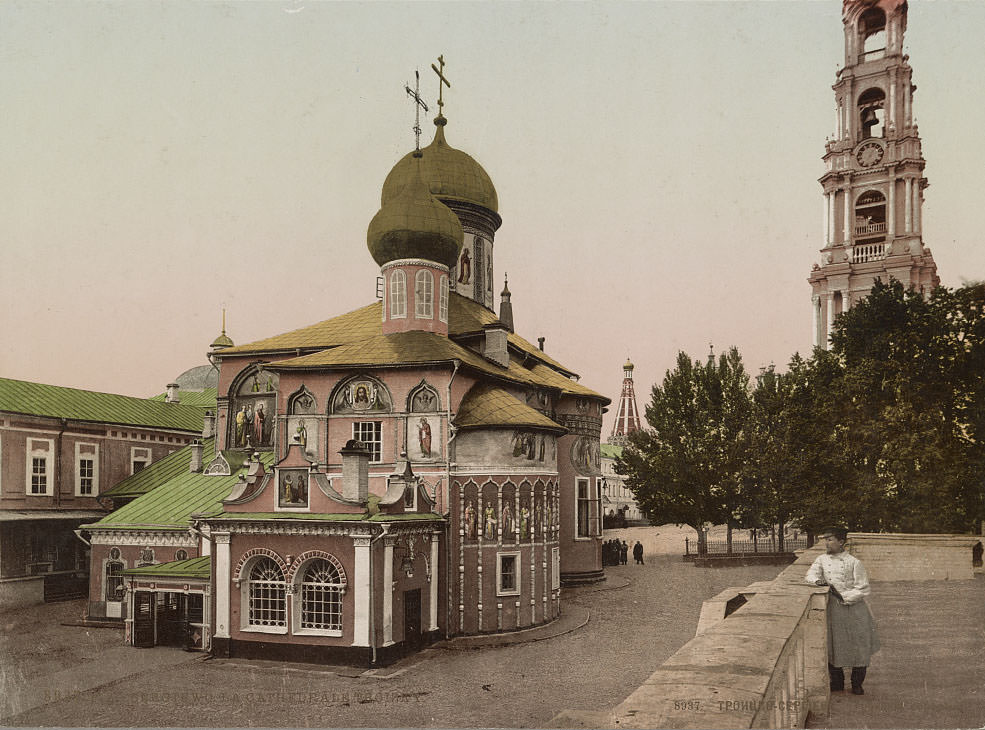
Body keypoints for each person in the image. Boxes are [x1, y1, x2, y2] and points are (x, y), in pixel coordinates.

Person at [805, 526, 880, 695]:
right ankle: (837, 682)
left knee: (859, 646)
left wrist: (845, 597)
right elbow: (810, 575)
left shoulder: (854, 562)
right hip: (833, 610)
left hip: (855, 610)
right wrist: (818, 581)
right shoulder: (821, 559)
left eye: (830, 539)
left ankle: (857, 684)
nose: (826, 543)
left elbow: (863, 588)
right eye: (826, 539)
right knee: (834, 645)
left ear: (841, 542)